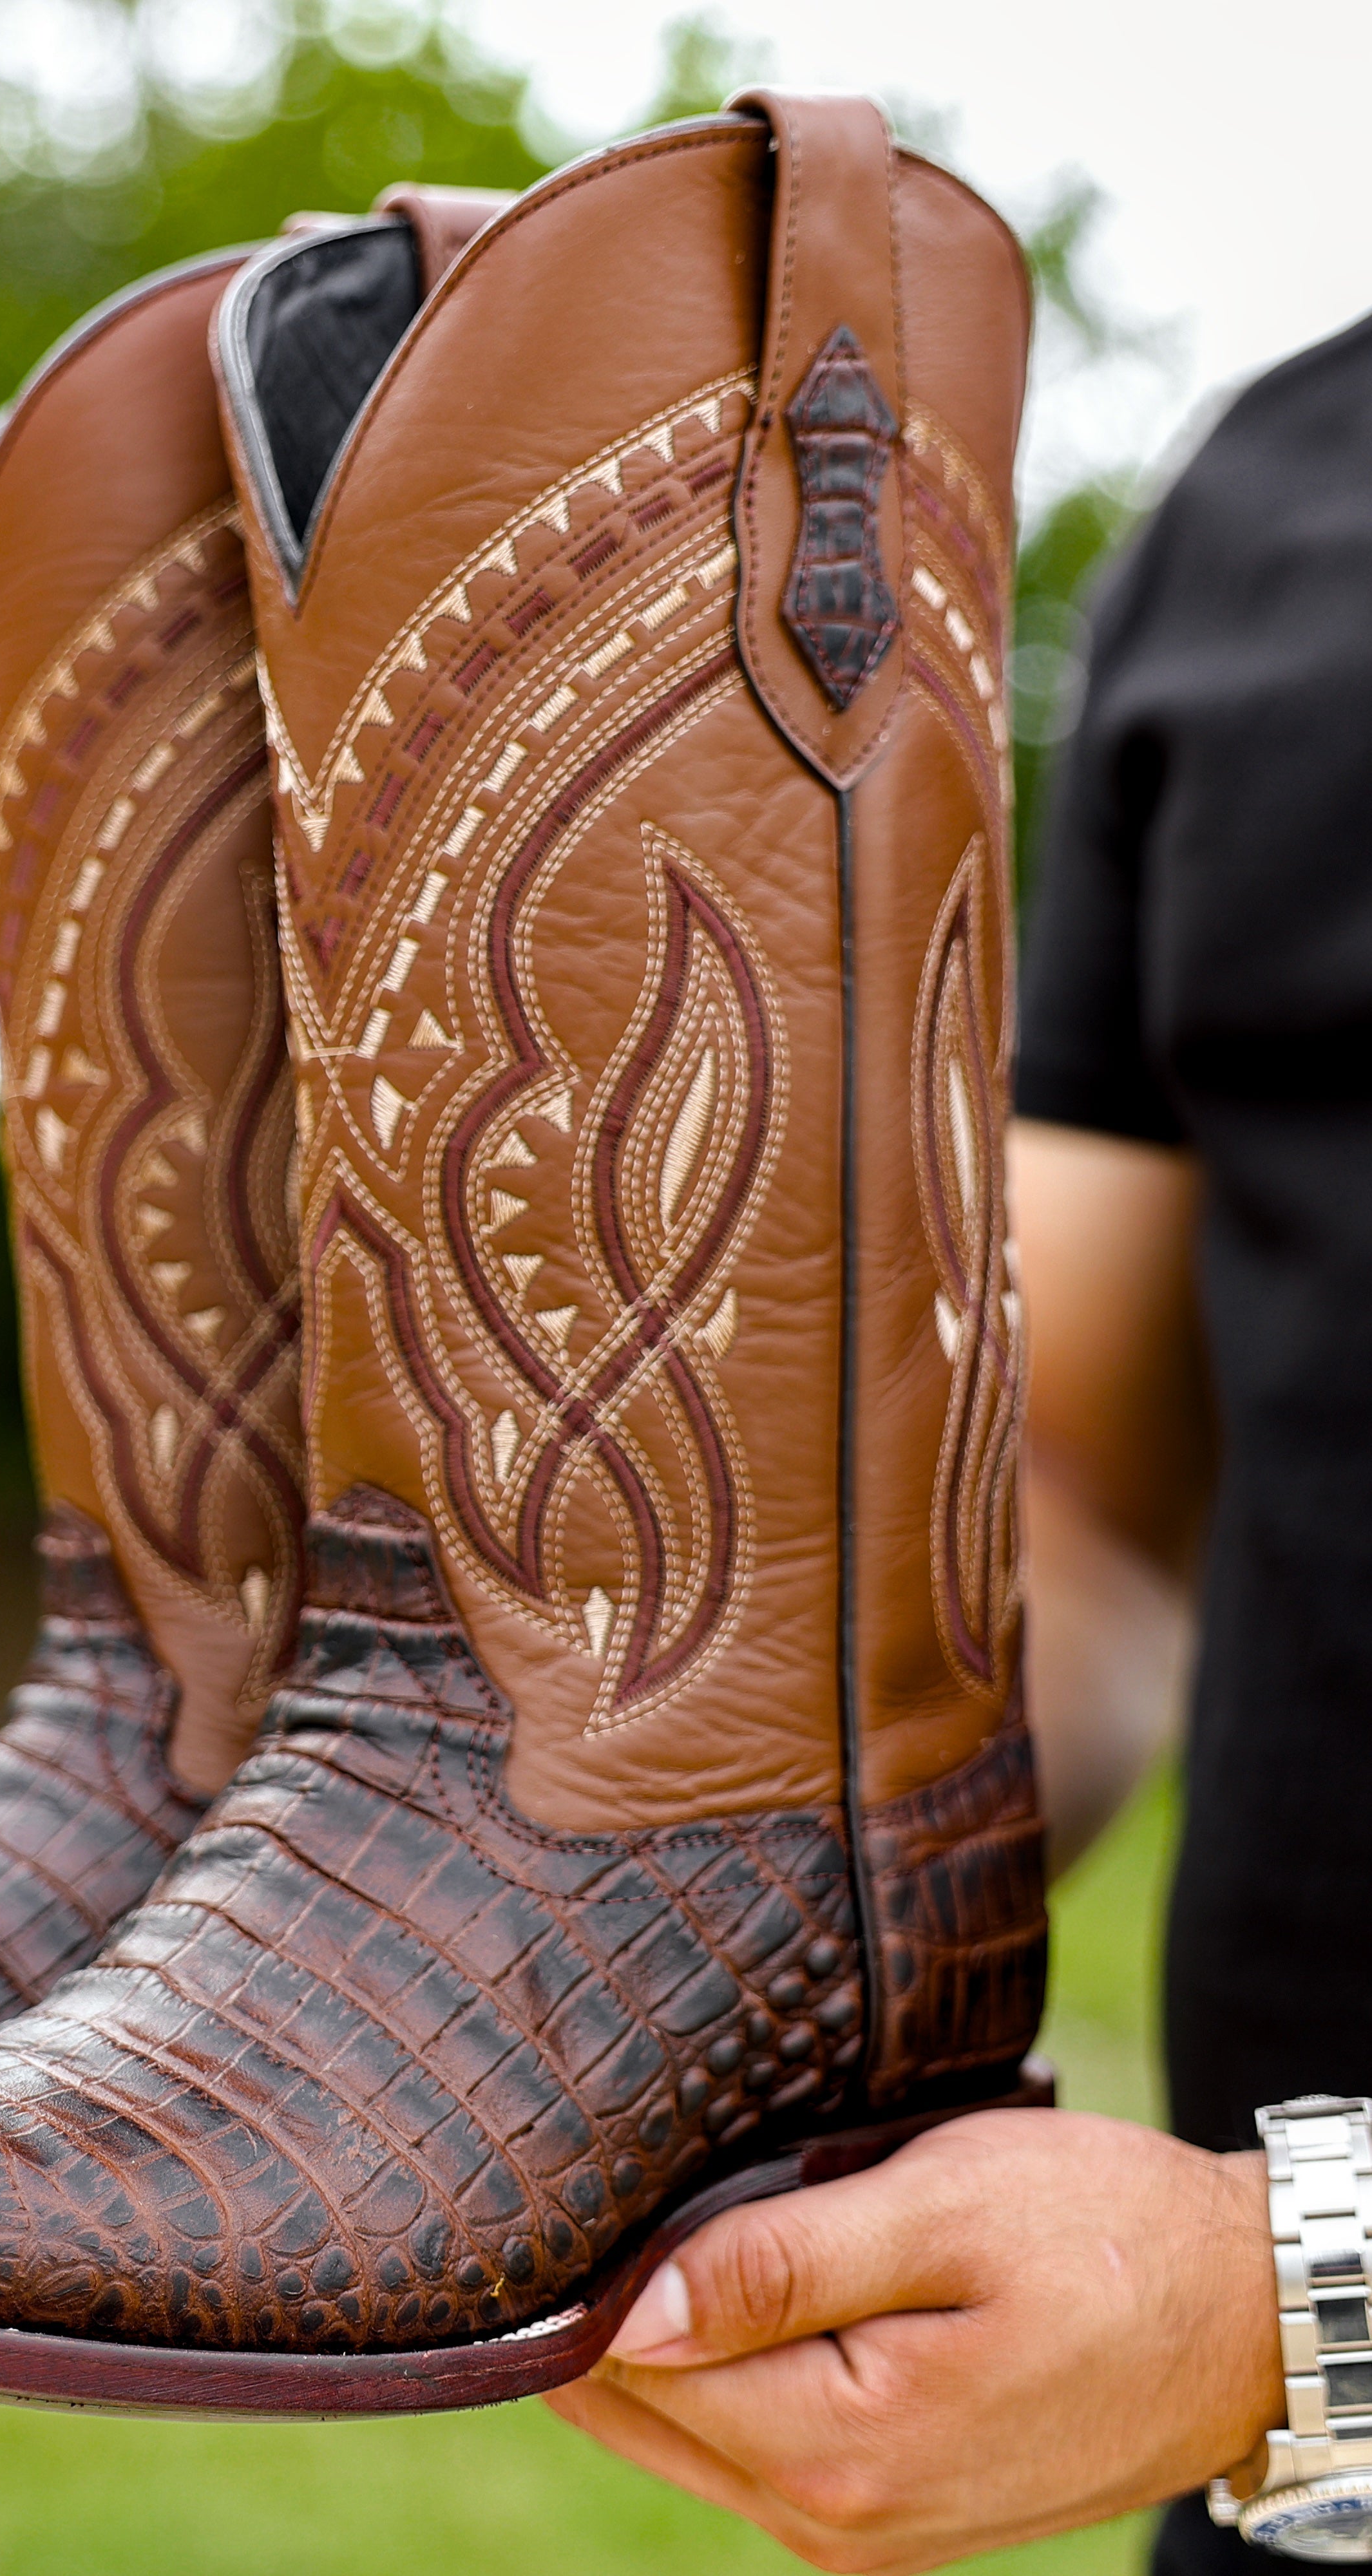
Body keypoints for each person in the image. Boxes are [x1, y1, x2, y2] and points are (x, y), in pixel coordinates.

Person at [546, 309, 1372, 2570]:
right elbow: (1096, 1509)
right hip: (1319, 2517)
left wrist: (1298, 2302)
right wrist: (643, 1944)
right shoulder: (1280, 499)